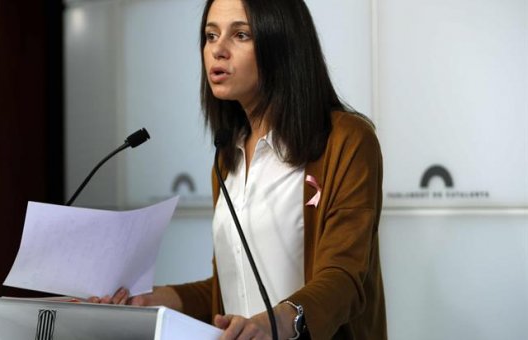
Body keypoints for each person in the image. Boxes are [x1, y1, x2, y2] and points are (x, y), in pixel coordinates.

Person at [90, 0, 386, 339]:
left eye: (241, 35)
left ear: (283, 43)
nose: (218, 50)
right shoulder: (227, 155)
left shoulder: (346, 140)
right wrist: (154, 300)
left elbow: (344, 277)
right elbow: (232, 285)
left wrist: (276, 322)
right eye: (210, 35)